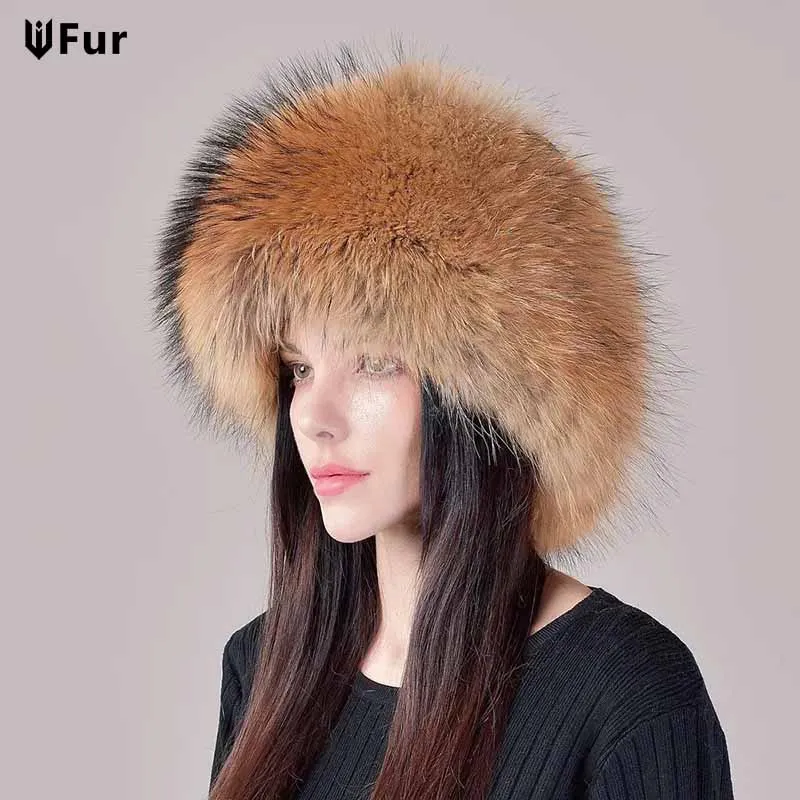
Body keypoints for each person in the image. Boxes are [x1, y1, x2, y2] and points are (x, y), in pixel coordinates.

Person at [151, 37, 734, 799]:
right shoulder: (261, 669)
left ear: (490, 397)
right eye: (298, 368)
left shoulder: (626, 690)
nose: (314, 418)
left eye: (374, 362)